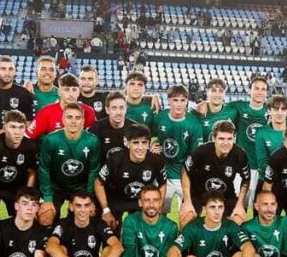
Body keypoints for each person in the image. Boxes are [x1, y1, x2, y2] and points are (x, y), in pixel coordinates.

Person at [35, 104, 102, 226]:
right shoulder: (51, 140)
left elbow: (93, 171)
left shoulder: (93, 141)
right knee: (46, 217)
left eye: (77, 118)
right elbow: (44, 169)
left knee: (90, 216)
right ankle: (47, 243)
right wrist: (47, 198)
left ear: (83, 121)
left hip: (80, 188)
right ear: (63, 119)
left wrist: (89, 197)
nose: (73, 121)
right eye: (69, 117)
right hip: (56, 188)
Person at [95, 123, 166, 228]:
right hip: (116, 199)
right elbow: (98, 184)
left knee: (144, 230)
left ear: (149, 144)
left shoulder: (156, 160)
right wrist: (106, 210)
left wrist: (159, 205)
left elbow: (163, 184)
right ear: (127, 144)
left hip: (140, 201)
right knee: (110, 228)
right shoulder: (115, 159)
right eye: (136, 143)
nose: (140, 147)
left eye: (144, 142)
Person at [180, 120, 250, 226]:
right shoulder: (201, 151)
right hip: (198, 194)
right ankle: (185, 242)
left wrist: (240, 204)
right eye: (221, 138)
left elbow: (246, 179)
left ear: (234, 138)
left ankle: (229, 243)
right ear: (214, 138)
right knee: (186, 217)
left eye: (229, 139)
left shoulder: (240, 155)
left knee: (239, 220)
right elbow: (185, 171)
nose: (225, 143)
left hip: (225, 195)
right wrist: (187, 202)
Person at [153, 85, 204, 213]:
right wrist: (152, 145)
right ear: (169, 101)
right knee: (159, 213)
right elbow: (151, 137)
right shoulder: (160, 118)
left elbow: (194, 156)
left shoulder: (194, 123)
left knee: (189, 214)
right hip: (162, 175)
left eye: (183, 100)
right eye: (175, 100)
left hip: (184, 176)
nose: (179, 104)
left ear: (187, 101)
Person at [0, 56, 34, 120]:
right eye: (3, 69)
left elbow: (28, 121)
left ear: (15, 71)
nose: (7, 73)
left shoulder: (24, 94)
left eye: (11, 69)